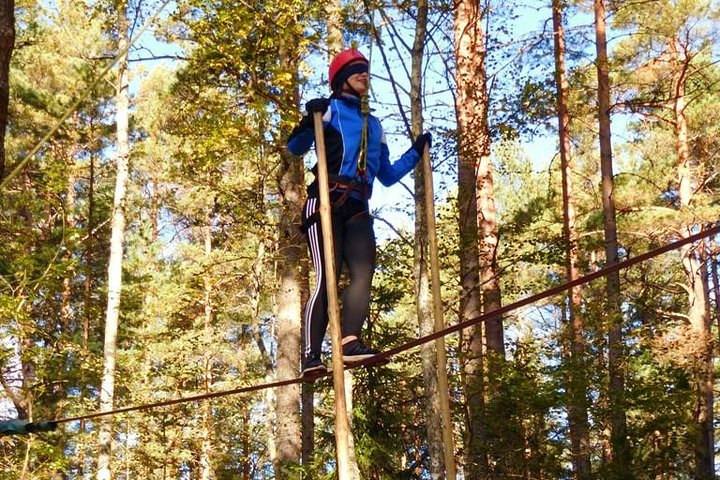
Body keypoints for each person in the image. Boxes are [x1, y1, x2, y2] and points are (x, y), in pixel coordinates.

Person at [286, 48, 431, 376]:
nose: (364, 75)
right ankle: (311, 355)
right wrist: (310, 120)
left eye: (366, 71)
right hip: (324, 202)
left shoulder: (374, 125)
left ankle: (349, 342)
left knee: (364, 272)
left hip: (358, 208)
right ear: (341, 79)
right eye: (356, 71)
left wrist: (416, 151)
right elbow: (295, 148)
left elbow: (389, 175)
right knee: (328, 275)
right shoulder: (328, 111)